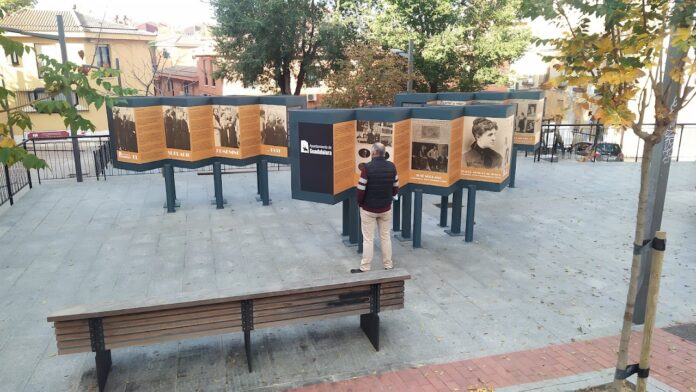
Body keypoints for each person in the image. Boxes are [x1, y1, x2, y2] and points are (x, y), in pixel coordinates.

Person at [351, 142, 399, 273]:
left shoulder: (367, 168)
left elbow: (360, 190)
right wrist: (389, 198)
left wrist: (360, 203)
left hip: (369, 209)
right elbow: (396, 187)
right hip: (385, 208)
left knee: (368, 239)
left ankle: (365, 267)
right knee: (385, 237)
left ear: (373, 153)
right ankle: (388, 265)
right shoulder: (392, 166)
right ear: (384, 153)